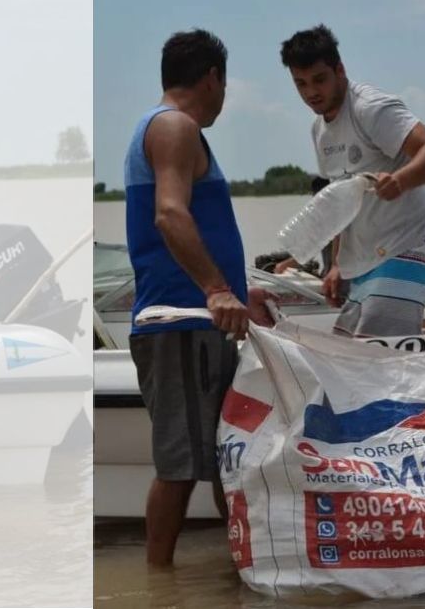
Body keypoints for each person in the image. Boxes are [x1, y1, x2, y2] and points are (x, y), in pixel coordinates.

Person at [123, 28, 272, 566]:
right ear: (213, 78)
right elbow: (169, 214)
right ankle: (158, 580)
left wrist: (237, 292)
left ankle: (237, 574)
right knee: (181, 467)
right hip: (179, 322)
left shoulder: (172, 129)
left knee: (221, 457)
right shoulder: (175, 127)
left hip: (198, 320)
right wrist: (214, 290)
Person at [279, 24, 425, 337]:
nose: (311, 93)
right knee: (347, 354)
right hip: (365, 261)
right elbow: (339, 202)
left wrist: (400, 180)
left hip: (408, 244)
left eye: (319, 79)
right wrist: (337, 266)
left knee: (372, 359)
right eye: (300, 84)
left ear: (339, 70)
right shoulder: (319, 131)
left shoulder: (370, 109)